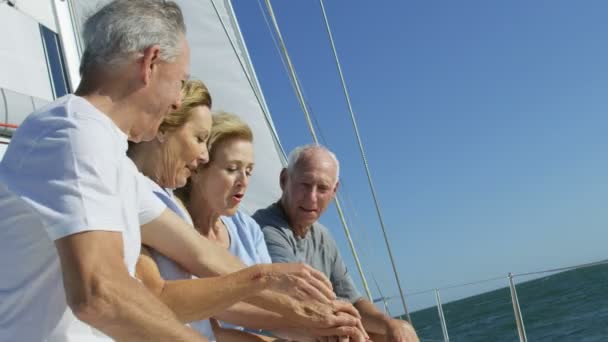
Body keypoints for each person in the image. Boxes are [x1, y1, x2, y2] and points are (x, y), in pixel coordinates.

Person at [0, 1, 205, 340]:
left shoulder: (108, 153)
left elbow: (198, 252)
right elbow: (99, 292)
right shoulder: (73, 131)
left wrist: (275, 283)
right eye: (180, 81)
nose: (178, 102)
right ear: (151, 62)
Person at [128, 88, 341, 341]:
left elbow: (232, 299)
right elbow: (172, 298)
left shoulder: (244, 228)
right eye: (232, 169)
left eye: (249, 171)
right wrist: (269, 283)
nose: (243, 182)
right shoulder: (140, 194)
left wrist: (311, 323)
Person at [253, 144, 420, 342]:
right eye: (305, 185)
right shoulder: (264, 229)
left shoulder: (324, 237)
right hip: (279, 335)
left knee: (393, 332)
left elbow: (353, 301)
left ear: (334, 191)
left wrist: (391, 324)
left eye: (322, 188)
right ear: (284, 180)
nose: (312, 197)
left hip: (319, 329)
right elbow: (299, 303)